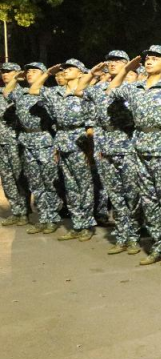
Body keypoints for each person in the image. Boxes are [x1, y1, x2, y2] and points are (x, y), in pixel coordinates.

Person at [107, 45, 161, 267]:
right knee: (148, 201)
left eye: (155, 58)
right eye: (147, 58)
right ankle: (156, 245)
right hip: (139, 149)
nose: (149, 61)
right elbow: (112, 89)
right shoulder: (135, 88)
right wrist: (126, 69)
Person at [79, 50, 142, 254]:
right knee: (115, 194)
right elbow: (79, 90)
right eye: (110, 61)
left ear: (127, 64)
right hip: (105, 145)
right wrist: (91, 73)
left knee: (132, 193)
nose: (112, 64)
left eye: (117, 61)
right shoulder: (99, 89)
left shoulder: (133, 87)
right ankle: (122, 236)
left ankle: (134, 236)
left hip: (127, 144)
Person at [30, 59, 97, 241]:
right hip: (62, 140)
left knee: (84, 185)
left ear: (81, 73)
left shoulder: (85, 93)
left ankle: (87, 225)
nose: (65, 71)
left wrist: (90, 150)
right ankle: (77, 224)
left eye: (70, 68)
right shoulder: (56, 92)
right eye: (64, 69)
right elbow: (34, 90)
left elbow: (90, 125)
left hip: (80, 141)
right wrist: (47, 74)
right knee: (70, 185)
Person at [3, 62, 62, 234]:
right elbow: (7, 92)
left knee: (49, 182)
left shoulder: (48, 93)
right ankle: (43, 217)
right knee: (36, 183)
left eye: (34, 71)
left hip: (44, 140)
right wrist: (16, 77)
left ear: (42, 74)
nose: (29, 73)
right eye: (28, 71)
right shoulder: (21, 93)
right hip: (27, 141)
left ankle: (52, 218)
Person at [0, 62, 30, 226]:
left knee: (20, 176)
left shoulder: (22, 93)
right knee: (6, 178)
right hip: (1, 142)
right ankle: (16, 210)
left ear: (18, 74)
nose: (5, 74)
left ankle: (25, 210)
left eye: (8, 71)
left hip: (16, 141)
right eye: (3, 72)